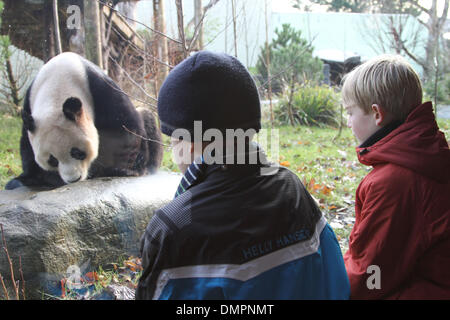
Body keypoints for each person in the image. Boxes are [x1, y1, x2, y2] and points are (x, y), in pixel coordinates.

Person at [136, 51, 349, 300]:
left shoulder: (172, 226)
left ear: (188, 141)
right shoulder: (292, 188)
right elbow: (335, 285)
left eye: (172, 140)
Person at [342, 55, 450, 299]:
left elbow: (372, 275)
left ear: (377, 114)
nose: (348, 122)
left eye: (350, 113)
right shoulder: (428, 156)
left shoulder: (394, 182)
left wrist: (330, 285)